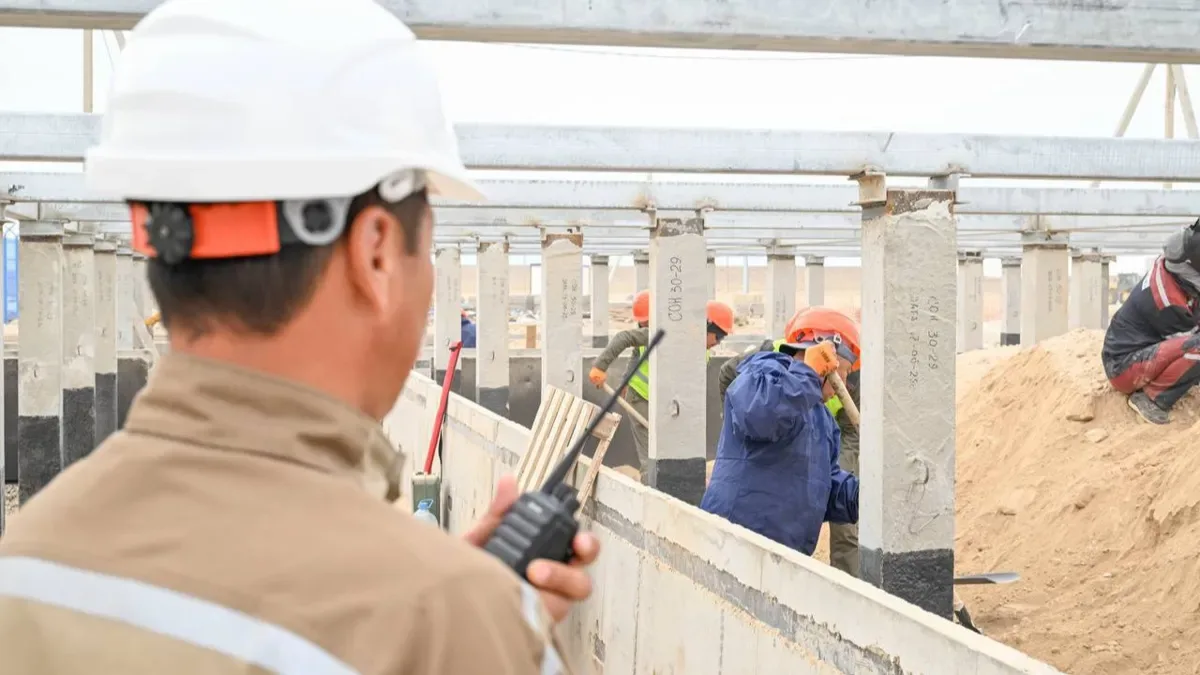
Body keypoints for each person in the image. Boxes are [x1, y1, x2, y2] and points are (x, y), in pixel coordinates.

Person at [0, 2, 596, 673]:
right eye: (427, 248)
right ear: (376, 254)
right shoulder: (450, 628)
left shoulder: (24, 566)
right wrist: (480, 622)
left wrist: (446, 591)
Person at [715, 307, 863, 576]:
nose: (846, 383)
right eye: (844, 371)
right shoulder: (762, 370)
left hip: (781, 560)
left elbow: (823, 486)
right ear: (826, 357)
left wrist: (863, 496)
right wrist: (808, 375)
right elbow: (760, 416)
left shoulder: (822, 420)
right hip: (737, 550)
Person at [588, 298, 735, 474]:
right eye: (718, 336)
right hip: (640, 399)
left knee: (670, 455)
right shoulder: (671, 335)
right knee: (651, 458)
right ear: (705, 326)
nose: (717, 342)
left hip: (666, 407)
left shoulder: (702, 352)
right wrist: (600, 367)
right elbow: (625, 338)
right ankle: (649, 486)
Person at [1103, 220, 1200, 425]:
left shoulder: (1171, 265)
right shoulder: (1167, 301)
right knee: (1197, 347)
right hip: (1123, 367)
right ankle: (1152, 399)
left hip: (1142, 350)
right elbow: (1192, 341)